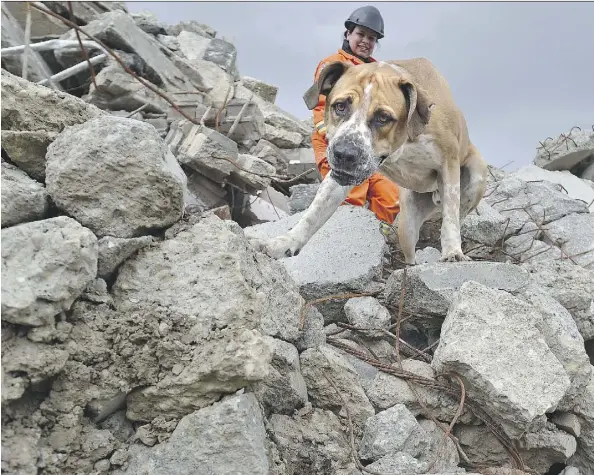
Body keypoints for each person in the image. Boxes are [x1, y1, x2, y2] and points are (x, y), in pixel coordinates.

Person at [310, 5, 401, 225]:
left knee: (390, 197)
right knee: (351, 197)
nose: (366, 41)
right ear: (348, 33)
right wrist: (337, 142)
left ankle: (376, 241)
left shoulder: (379, 73)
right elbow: (322, 108)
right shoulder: (335, 66)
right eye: (360, 34)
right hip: (340, 147)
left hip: (369, 147)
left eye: (372, 38)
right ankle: (344, 245)